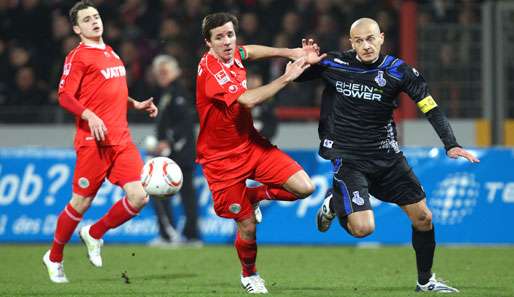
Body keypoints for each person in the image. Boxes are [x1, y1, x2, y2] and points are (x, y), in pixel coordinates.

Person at [296, 18, 479, 293]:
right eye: (359, 40)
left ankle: (425, 281)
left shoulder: (399, 71)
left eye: (370, 38)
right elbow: (295, 77)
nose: (366, 45)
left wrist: (450, 144)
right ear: (351, 42)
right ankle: (336, 203)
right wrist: (304, 61)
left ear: (381, 37)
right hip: (349, 158)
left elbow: (430, 107)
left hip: (387, 157)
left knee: (423, 218)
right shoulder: (334, 63)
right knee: (363, 229)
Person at [196, 13, 324, 294]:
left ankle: (253, 195)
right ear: (209, 43)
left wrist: (289, 51)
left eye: (230, 34)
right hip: (221, 160)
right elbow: (249, 99)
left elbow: (249, 51)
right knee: (248, 227)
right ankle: (249, 275)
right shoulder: (212, 73)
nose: (227, 42)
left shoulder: (234, 54)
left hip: (250, 144)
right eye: (219, 37)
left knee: (304, 187)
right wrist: (286, 77)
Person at [42, 1, 158, 283]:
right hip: (92, 142)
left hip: (121, 139)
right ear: (76, 28)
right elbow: (65, 96)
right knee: (80, 203)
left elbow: (111, 95)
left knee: (139, 196)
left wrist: (136, 105)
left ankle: (94, 233)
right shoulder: (78, 56)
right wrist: (89, 115)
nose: (94, 21)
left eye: (96, 16)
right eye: (87, 19)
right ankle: (54, 257)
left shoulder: (111, 53)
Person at [148, 54, 200, 246]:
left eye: (165, 71)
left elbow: (184, 123)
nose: (161, 75)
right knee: (186, 194)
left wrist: (167, 142)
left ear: (175, 71)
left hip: (178, 153)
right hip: (178, 152)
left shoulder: (177, 92)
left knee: (162, 192)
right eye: (158, 72)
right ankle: (188, 235)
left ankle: (171, 234)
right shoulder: (169, 92)